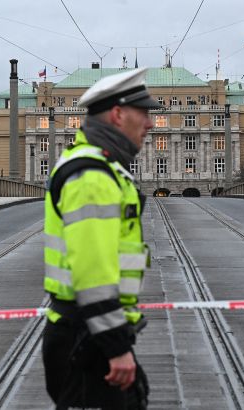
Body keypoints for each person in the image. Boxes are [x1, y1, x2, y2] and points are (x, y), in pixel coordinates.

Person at [42, 68, 160, 409]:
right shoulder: (92, 176)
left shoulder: (102, 167)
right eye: (144, 113)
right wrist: (115, 347)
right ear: (118, 114)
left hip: (90, 332)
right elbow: (93, 273)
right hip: (86, 336)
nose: (151, 123)